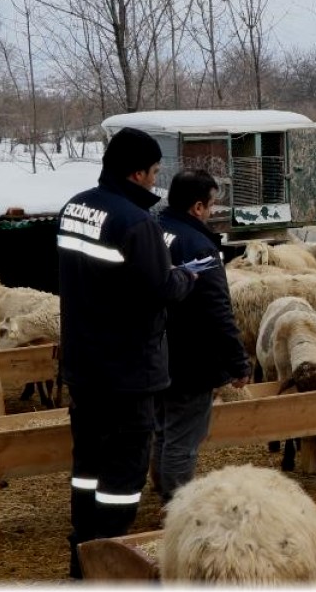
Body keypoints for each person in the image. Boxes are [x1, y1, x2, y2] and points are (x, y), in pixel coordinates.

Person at [57, 127, 196, 579]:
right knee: (124, 470)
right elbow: (161, 287)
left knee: (88, 463)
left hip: (84, 363)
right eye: (155, 172)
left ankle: (82, 553)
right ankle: (110, 559)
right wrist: (186, 277)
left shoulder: (74, 208)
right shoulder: (137, 223)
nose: (156, 182)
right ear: (137, 172)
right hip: (127, 369)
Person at [153, 169, 252, 503]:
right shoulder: (198, 245)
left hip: (158, 351)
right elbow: (217, 309)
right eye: (210, 205)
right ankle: (177, 507)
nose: (211, 212)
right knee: (183, 439)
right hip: (191, 358)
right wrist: (238, 362)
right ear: (197, 207)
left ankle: (163, 491)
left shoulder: (156, 231)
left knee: (164, 431)